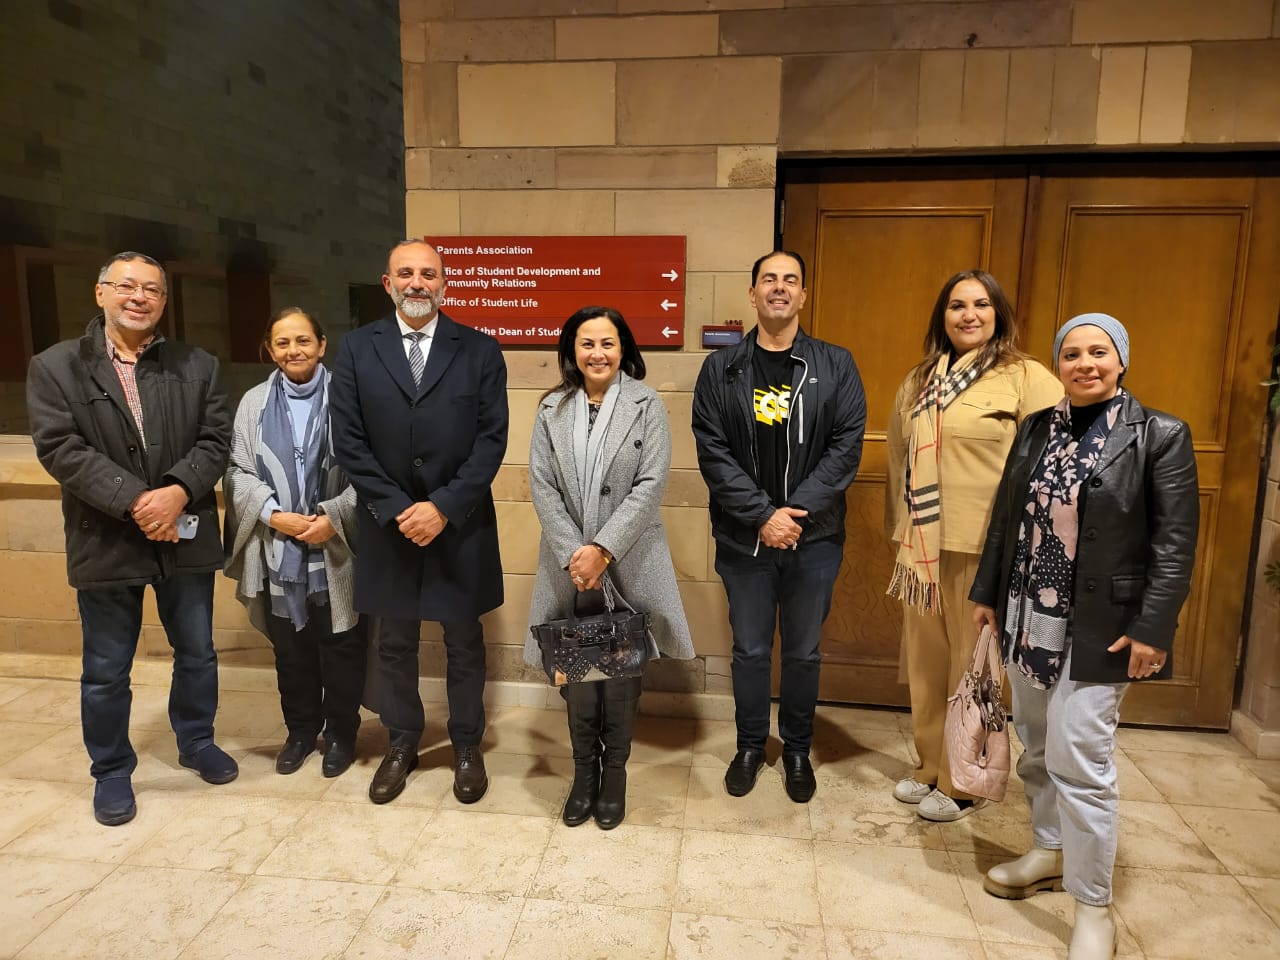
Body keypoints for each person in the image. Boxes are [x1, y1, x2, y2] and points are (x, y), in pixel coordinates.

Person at [970, 313, 1198, 960]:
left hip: (1103, 629)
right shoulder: (1038, 427)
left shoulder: (1160, 435)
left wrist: (1154, 627)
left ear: (1121, 359)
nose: (1085, 363)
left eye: (1099, 351)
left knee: (1082, 760)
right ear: (1059, 364)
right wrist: (986, 594)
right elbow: (1006, 518)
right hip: (1027, 617)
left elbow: (1175, 544)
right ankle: (1049, 849)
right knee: (1037, 747)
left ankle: (1093, 905)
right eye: (1071, 353)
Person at [26, 251, 236, 826]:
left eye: (150, 289)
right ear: (100, 294)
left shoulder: (199, 365)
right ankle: (112, 770)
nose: (137, 297)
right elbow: (60, 449)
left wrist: (174, 491)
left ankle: (195, 741)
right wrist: (137, 501)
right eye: (125, 286)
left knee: (197, 652)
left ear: (164, 301)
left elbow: (216, 440)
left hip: (185, 534)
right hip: (106, 538)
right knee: (106, 668)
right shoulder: (55, 367)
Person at [330, 240, 508, 806]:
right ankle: (402, 742)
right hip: (389, 525)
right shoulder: (357, 350)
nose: (416, 283)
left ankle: (465, 745)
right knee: (395, 645)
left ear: (444, 282)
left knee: (464, 642)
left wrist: (443, 507)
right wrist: (398, 507)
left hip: (460, 524)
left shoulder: (479, 350)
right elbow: (350, 443)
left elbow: (491, 441)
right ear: (387, 283)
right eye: (405, 273)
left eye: (427, 274)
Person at [885, 269, 1062, 822]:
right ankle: (930, 766)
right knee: (927, 665)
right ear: (942, 316)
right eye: (957, 305)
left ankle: (967, 781)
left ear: (998, 314)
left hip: (985, 550)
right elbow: (897, 463)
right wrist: (903, 537)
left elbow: (1051, 463)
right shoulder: (918, 381)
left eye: (981, 304)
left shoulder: (1025, 378)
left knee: (975, 669)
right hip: (922, 552)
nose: (969, 314)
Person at [692, 250, 866, 803]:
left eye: (791, 280)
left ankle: (795, 748)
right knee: (747, 649)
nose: (780, 288)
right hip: (744, 538)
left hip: (813, 540)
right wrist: (763, 515)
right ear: (752, 294)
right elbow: (713, 452)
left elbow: (845, 449)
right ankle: (749, 744)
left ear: (803, 295)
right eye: (769, 279)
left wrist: (792, 516)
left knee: (803, 652)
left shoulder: (836, 365)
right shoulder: (721, 369)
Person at [525, 307, 695, 830]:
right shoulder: (552, 407)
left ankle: (614, 775)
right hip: (569, 565)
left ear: (624, 348)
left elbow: (651, 485)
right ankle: (584, 775)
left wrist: (603, 548)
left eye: (608, 343)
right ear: (571, 351)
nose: (597, 353)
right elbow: (541, 484)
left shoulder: (647, 404)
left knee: (621, 670)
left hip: (630, 558)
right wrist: (576, 553)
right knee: (577, 672)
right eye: (586, 344)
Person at [224, 307, 367, 778]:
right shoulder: (253, 404)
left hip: (337, 548)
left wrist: (333, 516)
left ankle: (342, 734)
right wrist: (272, 514)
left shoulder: (351, 398)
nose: (293, 351)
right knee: (291, 649)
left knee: (342, 648)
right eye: (282, 343)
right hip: (277, 549)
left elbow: (371, 472)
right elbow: (238, 471)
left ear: (322, 345)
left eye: (303, 341)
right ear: (270, 350)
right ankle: (301, 732)